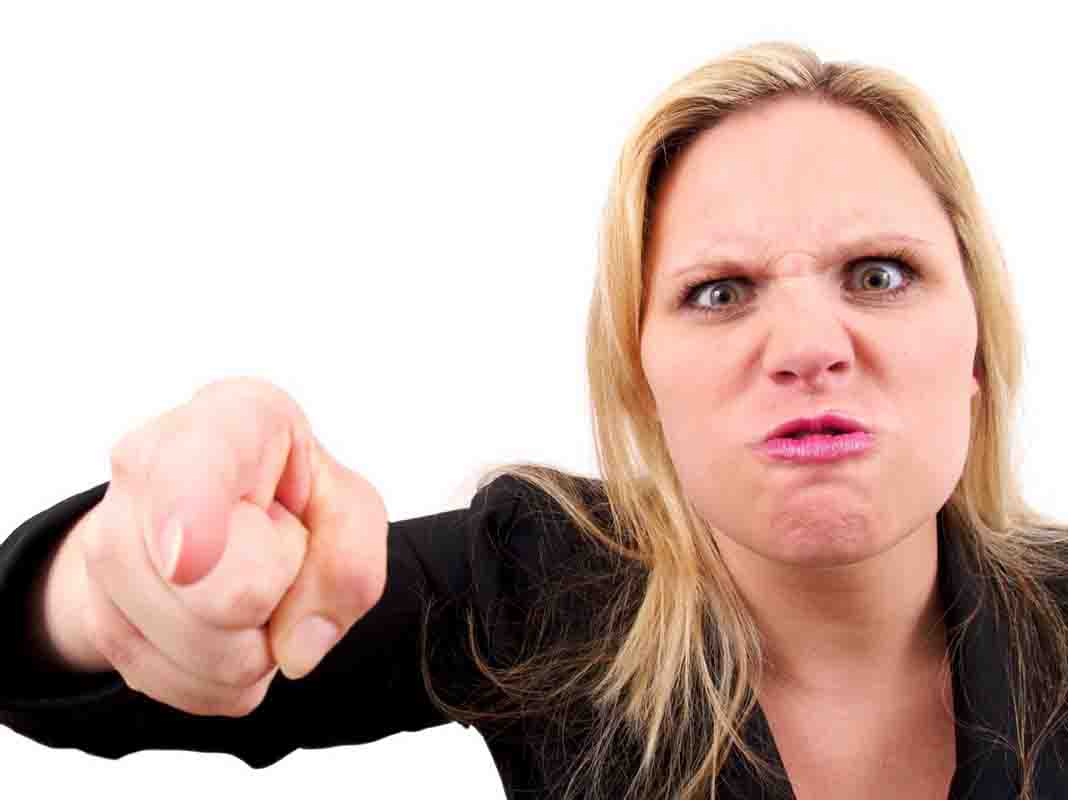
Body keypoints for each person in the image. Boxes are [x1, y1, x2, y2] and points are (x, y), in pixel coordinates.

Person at [2, 38, 1067, 800]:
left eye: (879, 275)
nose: (806, 344)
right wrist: (113, 582)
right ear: (644, 381)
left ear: (976, 348)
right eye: (719, 291)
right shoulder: (541, 580)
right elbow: (43, 665)